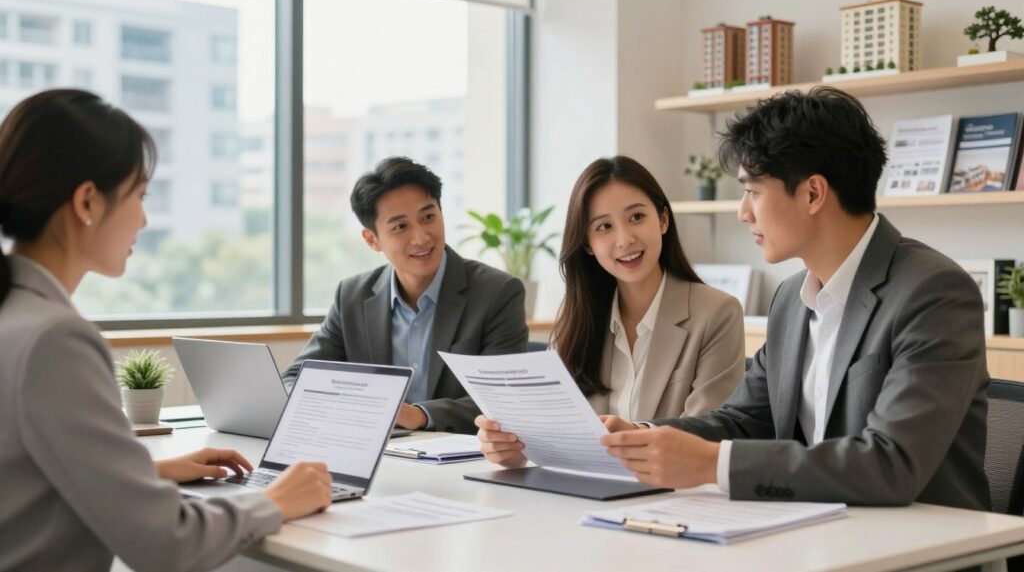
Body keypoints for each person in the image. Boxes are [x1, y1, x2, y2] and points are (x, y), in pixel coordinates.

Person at [601, 87, 990, 510]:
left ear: (812, 194)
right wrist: (638, 437)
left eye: (752, 191)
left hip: (924, 549)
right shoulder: (791, 298)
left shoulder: (933, 293)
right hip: (819, 533)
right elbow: (743, 422)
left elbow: (891, 464)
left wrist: (714, 463)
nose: (743, 213)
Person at [0, 89, 333, 572]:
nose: (144, 218)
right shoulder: (54, 339)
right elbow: (165, 545)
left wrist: (144, 474)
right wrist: (278, 500)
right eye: (139, 195)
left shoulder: (15, 314)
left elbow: (20, 479)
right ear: (88, 201)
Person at [477, 155, 746, 467]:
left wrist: (635, 435)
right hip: (586, 492)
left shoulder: (717, 313)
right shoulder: (576, 320)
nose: (625, 239)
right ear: (588, 244)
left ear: (663, 220)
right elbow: (554, 435)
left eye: (636, 218)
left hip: (671, 496)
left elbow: (709, 435)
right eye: (604, 226)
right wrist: (515, 447)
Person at [283, 157, 529, 434]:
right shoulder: (351, 297)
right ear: (372, 239)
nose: (422, 238)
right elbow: (294, 379)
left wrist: (421, 415)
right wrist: (344, 407)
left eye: (428, 217)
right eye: (400, 226)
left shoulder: (497, 293)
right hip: (377, 453)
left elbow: (505, 400)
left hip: (458, 461)